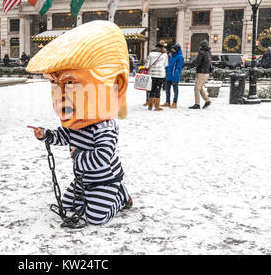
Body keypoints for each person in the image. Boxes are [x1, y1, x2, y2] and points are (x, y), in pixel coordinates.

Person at [27, 21, 132, 226]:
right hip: (83, 180)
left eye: (71, 83)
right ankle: (89, 197)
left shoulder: (104, 128)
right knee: (67, 205)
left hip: (105, 180)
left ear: (114, 88)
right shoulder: (76, 125)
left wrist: (77, 156)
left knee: (96, 218)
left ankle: (120, 195)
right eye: (54, 83)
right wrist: (46, 135)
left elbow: (102, 157)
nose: (60, 99)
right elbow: (64, 136)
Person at [145, 40, 169, 111]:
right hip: (160, 74)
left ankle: (150, 106)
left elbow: (147, 65)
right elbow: (166, 64)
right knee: (158, 90)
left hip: (152, 74)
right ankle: (157, 106)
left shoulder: (151, 54)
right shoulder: (164, 55)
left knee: (151, 89)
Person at [189, 40, 212, 109]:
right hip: (206, 73)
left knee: (196, 88)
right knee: (200, 88)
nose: (199, 46)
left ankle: (197, 104)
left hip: (201, 73)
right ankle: (207, 100)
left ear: (202, 46)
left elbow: (198, 63)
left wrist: (193, 61)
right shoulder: (208, 53)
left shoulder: (201, 53)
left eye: (200, 45)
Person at [162, 44, 184, 108]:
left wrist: (175, 76)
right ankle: (167, 102)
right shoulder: (172, 56)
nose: (172, 50)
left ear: (176, 50)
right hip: (169, 75)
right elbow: (170, 65)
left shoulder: (180, 57)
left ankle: (174, 103)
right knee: (167, 89)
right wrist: (166, 70)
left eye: (173, 49)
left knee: (175, 90)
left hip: (174, 76)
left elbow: (178, 68)